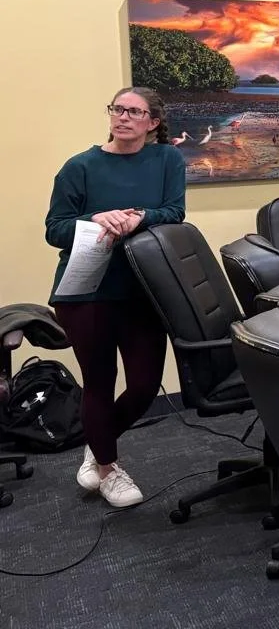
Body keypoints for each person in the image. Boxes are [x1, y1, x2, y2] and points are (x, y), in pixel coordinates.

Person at [45, 87, 186, 508]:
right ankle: (107, 468)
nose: (123, 117)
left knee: (144, 386)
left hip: (143, 289)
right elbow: (54, 229)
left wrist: (141, 215)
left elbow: (174, 212)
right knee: (99, 384)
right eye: (117, 109)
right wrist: (93, 219)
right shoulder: (80, 167)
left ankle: (97, 441)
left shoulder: (167, 160)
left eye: (134, 111)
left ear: (152, 122)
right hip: (87, 292)